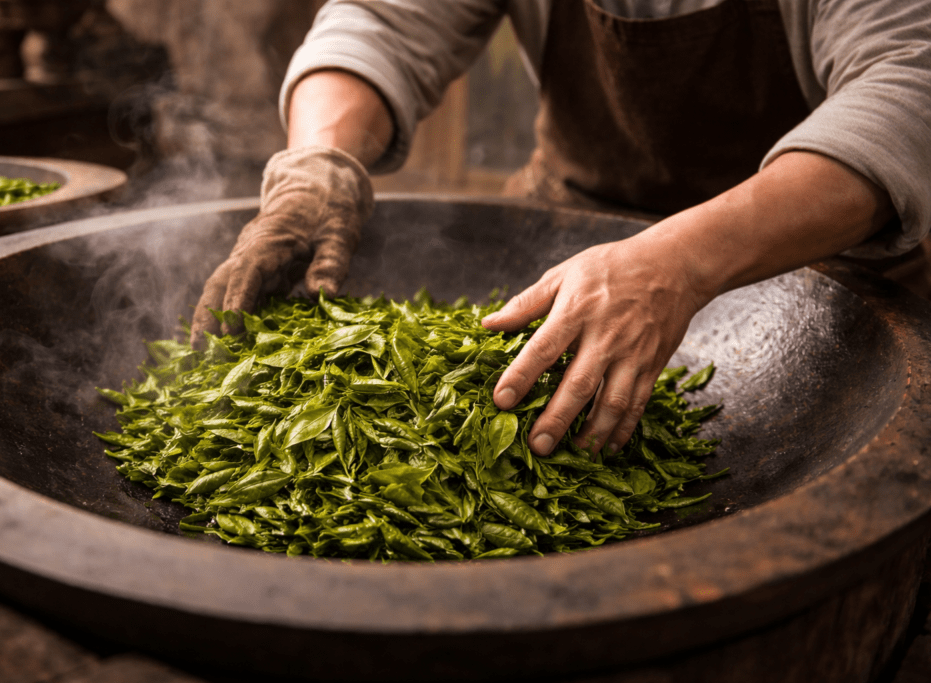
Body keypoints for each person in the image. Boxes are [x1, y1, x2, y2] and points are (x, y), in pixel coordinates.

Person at [191, 0, 931, 458]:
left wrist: (677, 259)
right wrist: (319, 163)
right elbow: (380, 20)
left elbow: (909, 82)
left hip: (813, 267)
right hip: (567, 235)